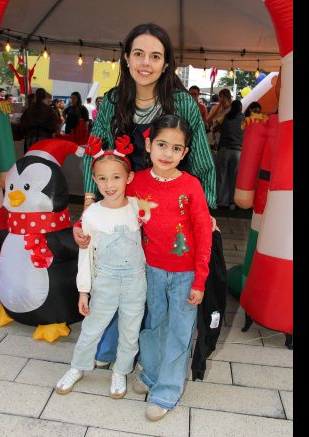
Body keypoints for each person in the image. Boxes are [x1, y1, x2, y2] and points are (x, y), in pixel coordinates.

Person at [76, 22, 218, 421]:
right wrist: (89, 209)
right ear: (126, 57)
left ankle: (152, 370)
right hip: (122, 205)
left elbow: (202, 162)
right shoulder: (110, 101)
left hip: (168, 211)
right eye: (139, 53)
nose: (146, 62)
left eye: (155, 55)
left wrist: (208, 217)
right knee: (117, 277)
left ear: (166, 62)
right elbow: (95, 155)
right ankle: (111, 350)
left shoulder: (182, 103)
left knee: (156, 293)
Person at [127, 114, 212, 421]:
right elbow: (114, 213)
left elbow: (203, 234)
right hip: (150, 269)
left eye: (176, 149)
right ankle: (150, 373)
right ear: (149, 144)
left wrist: (199, 280)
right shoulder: (135, 181)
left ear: (185, 153)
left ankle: (166, 391)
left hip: (185, 273)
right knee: (152, 325)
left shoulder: (191, 186)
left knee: (178, 331)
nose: (167, 153)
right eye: (161, 144)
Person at [54, 136, 146, 400]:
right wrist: (83, 291)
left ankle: (121, 370)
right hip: (103, 281)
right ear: (94, 180)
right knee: (92, 328)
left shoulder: (139, 207)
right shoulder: (91, 214)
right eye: (102, 178)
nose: (110, 185)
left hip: (135, 283)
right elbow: (85, 255)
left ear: (129, 178)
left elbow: (167, 216)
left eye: (116, 177)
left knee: (130, 331)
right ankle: (77, 367)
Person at [214, 99, 245, 209]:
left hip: (224, 150)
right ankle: (232, 203)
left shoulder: (226, 117)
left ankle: (217, 201)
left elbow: (215, 128)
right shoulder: (244, 120)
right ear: (241, 108)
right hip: (237, 152)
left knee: (220, 178)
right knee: (233, 178)